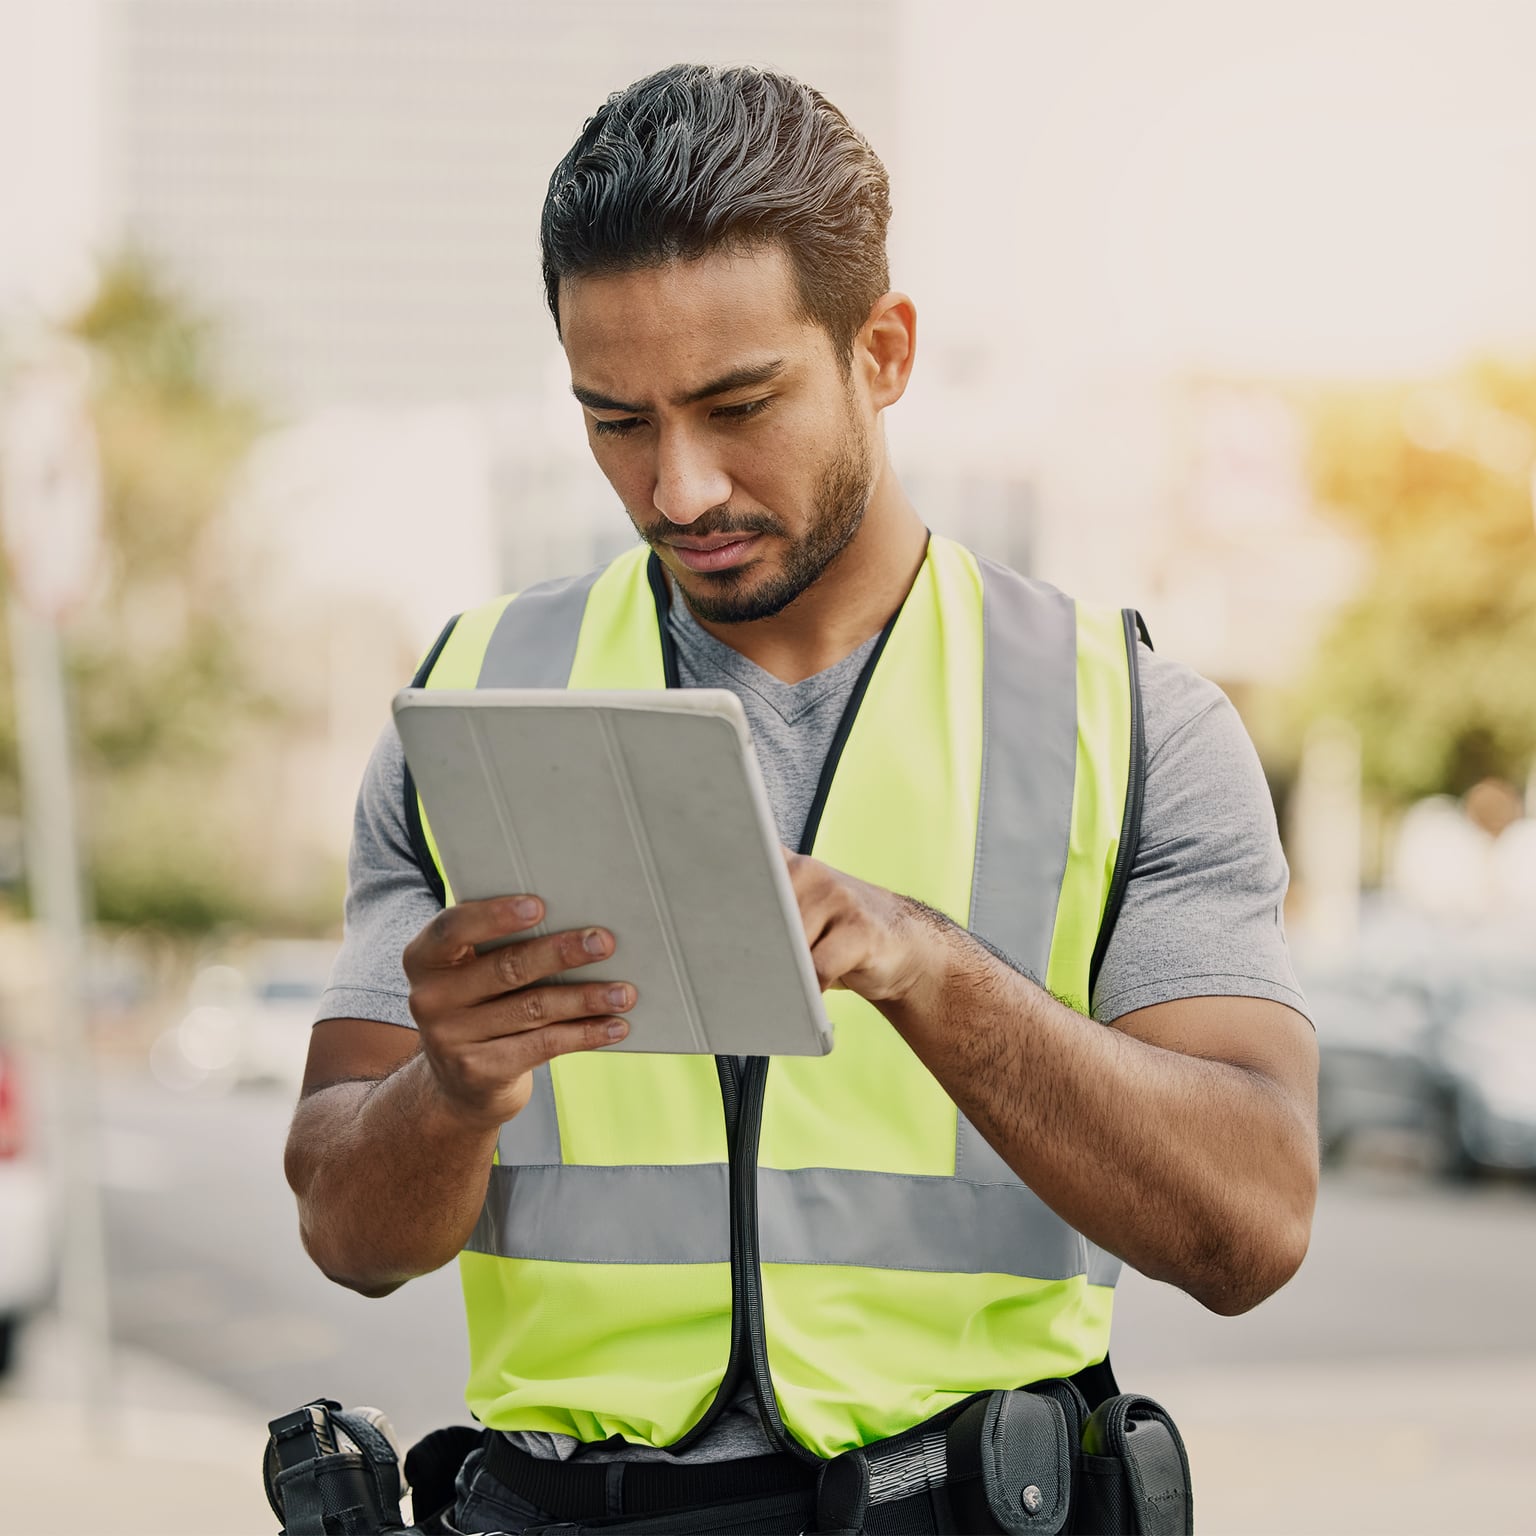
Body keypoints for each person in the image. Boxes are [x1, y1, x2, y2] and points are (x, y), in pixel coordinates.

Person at [285, 63, 1318, 1535]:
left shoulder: (1131, 719)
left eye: (736, 403)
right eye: (615, 422)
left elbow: (1253, 1230)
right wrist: (450, 1093)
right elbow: (346, 1228)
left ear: (882, 350)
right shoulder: (470, 701)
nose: (681, 487)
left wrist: (932, 969)